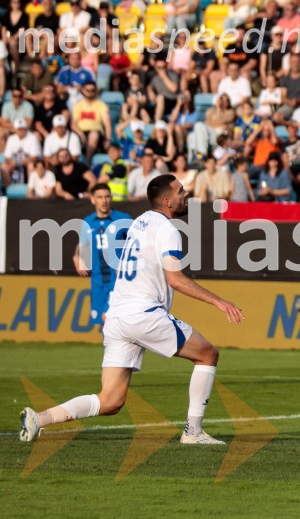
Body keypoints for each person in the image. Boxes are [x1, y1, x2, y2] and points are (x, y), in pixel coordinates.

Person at [19, 175, 245, 445]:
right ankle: (193, 432)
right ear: (167, 200)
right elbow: (175, 278)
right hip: (144, 314)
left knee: (111, 400)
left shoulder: (139, 222)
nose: (187, 194)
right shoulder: (166, 228)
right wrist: (220, 301)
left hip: (118, 316)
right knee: (208, 354)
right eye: (181, 190)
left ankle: (39, 419)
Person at [73, 184, 132, 326]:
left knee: (108, 318)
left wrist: (126, 262)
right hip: (97, 280)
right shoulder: (88, 221)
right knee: (103, 323)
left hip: (117, 280)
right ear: (93, 200)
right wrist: (76, 256)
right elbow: (82, 244)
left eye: (107, 196)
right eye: (100, 197)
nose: (104, 200)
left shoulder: (123, 219)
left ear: (111, 198)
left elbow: (137, 244)